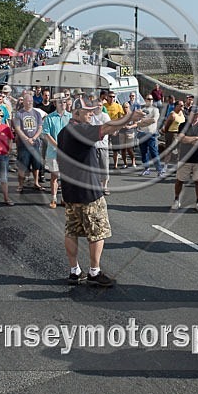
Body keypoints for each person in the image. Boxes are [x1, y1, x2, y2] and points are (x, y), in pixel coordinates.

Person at [57, 95, 145, 287]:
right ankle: (94, 272)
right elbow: (105, 129)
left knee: (71, 231)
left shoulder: (64, 132)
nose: (91, 113)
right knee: (98, 232)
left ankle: (74, 271)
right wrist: (128, 118)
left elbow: (106, 130)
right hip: (88, 192)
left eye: (92, 110)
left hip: (71, 192)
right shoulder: (81, 129)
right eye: (88, 111)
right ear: (76, 112)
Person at [171, 107, 198, 212]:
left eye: (197, 114)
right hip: (184, 158)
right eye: (194, 114)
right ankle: (176, 199)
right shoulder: (183, 125)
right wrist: (196, 139)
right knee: (180, 180)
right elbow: (181, 138)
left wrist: (189, 140)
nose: (196, 116)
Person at [41, 94, 72, 208]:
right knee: (54, 176)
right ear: (55, 104)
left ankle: (64, 198)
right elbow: (47, 134)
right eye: (60, 102)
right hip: (54, 152)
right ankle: (53, 199)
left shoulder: (70, 117)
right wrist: (59, 146)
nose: (63, 104)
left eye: (64, 102)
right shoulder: (49, 118)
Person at [13, 92, 45, 192]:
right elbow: (18, 129)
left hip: (35, 143)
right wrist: (27, 139)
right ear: (24, 102)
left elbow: (40, 127)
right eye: (27, 101)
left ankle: (36, 182)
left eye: (31, 101)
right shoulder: (19, 114)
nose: (29, 103)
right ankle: (20, 185)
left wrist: (34, 138)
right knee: (22, 165)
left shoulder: (37, 113)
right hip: (23, 145)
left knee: (36, 165)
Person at [136, 95, 164, 177]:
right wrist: (145, 121)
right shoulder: (141, 109)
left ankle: (159, 170)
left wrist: (144, 121)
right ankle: (146, 169)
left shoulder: (155, 109)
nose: (151, 100)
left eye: (152, 99)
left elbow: (154, 120)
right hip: (141, 133)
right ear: (145, 100)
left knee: (154, 152)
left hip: (151, 134)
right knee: (143, 152)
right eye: (148, 99)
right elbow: (138, 122)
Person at [162, 101, 185, 167]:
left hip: (180, 134)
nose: (182, 107)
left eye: (183, 105)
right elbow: (166, 126)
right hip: (172, 134)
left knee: (180, 151)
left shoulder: (181, 112)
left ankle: (178, 166)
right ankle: (165, 167)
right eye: (181, 105)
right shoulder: (172, 115)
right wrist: (167, 133)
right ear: (176, 106)